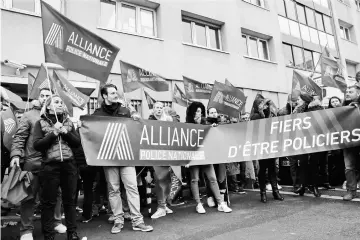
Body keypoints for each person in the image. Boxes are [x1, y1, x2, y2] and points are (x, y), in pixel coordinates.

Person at [92, 84, 153, 233]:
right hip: (109, 157)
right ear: (104, 96)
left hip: (126, 155)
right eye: (112, 93)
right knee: (113, 189)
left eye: (116, 92)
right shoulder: (97, 113)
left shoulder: (125, 111)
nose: (115, 95)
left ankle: (137, 221)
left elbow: (135, 129)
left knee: (131, 187)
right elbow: (92, 131)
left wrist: (136, 119)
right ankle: (118, 221)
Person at [9, 89, 66, 240]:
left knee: (56, 194)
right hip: (33, 163)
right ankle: (26, 230)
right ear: (39, 98)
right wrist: (15, 154)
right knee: (29, 197)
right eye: (43, 95)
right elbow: (19, 137)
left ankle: (56, 221)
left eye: (48, 96)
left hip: (53, 164)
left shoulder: (59, 117)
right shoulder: (29, 115)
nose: (45, 98)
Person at [32, 95, 81, 240]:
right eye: (56, 102)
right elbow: (37, 145)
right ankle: (49, 236)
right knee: (48, 203)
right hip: (49, 167)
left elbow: (77, 143)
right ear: (48, 106)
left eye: (61, 102)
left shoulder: (68, 122)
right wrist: (53, 133)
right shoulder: (40, 123)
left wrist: (65, 133)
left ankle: (72, 234)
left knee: (70, 201)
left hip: (69, 166)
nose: (60, 104)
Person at [185, 101, 232, 214]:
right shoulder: (187, 125)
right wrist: (186, 159)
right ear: (192, 112)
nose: (199, 114)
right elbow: (184, 142)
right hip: (194, 156)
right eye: (197, 111)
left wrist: (213, 128)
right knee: (195, 179)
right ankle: (198, 204)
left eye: (201, 111)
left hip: (205, 155)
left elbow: (211, 135)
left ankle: (221, 203)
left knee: (213, 178)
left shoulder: (205, 123)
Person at [250, 95, 284, 203]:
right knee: (263, 170)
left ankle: (275, 191)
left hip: (271, 144)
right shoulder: (255, 116)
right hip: (261, 146)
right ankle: (263, 193)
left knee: (273, 169)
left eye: (265, 104)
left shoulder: (270, 114)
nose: (264, 106)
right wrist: (262, 112)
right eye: (262, 105)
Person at [294, 93, 324, 197]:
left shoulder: (317, 108)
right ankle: (302, 185)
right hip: (303, 140)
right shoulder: (298, 110)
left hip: (315, 140)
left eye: (299, 99)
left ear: (305, 100)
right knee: (302, 164)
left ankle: (314, 186)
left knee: (314, 164)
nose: (297, 101)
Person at [148, 102, 174, 219]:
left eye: (161, 108)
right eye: (156, 107)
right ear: (153, 109)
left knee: (167, 180)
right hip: (155, 154)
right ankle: (160, 207)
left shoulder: (167, 120)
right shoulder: (149, 120)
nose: (159, 109)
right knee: (159, 179)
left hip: (166, 153)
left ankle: (164, 205)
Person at [204, 107, 229, 207]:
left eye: (215, 112)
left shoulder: (222, 124)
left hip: (220, 153)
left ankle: (222, 197)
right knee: (211, 176)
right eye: (211, 112)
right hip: (210, 154)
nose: (214, 114)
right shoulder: (205, 124)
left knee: (221, 175)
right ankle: (210, 196)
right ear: (208, 114)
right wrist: (210, 128)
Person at [342, 85, 360, 201]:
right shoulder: (342, 107)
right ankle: (351, 191)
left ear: (358, 94)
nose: (347, 93)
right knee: (349, 167)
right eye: (347, 91)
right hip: (348, 141)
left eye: (351, 91)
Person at [278, 96, 299, 192]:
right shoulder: (282, 112)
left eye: (297, 100)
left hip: (300, 139)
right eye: (293, 101)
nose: (296, 103)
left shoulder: (301, 110)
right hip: (289, 141)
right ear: (288, 101)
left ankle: (303, 183)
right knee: (293, 164)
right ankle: (296, 185)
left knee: (301, 164)